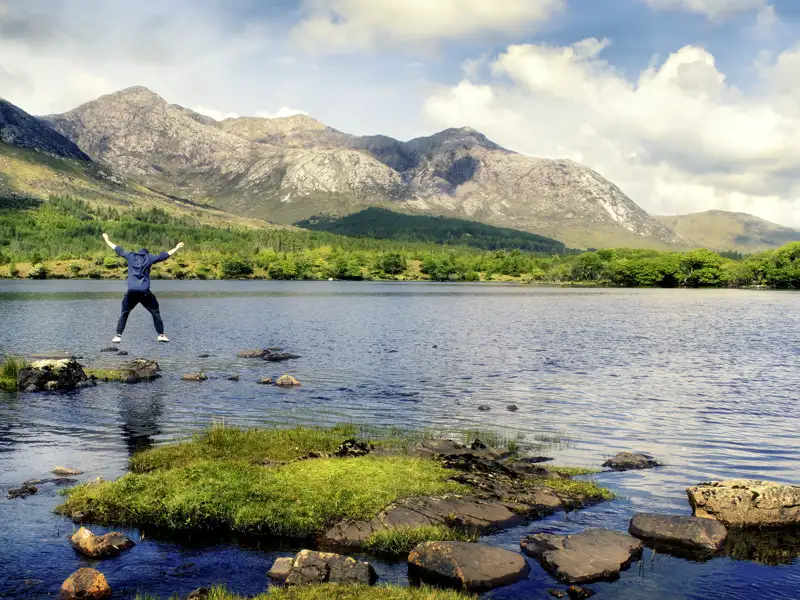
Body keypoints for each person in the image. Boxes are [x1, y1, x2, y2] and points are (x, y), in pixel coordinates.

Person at [102, 232, 184, 343]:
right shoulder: (149, 258)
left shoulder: (131, 256)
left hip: (131, 292)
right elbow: (164, 255)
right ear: (146, 254)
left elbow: (117, 249)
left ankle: (118, 336)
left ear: (138, 253)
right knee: (155, 311)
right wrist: (176, 248)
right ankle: (161, 334)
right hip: (144, 292)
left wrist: (107, 239)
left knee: (124, 313)